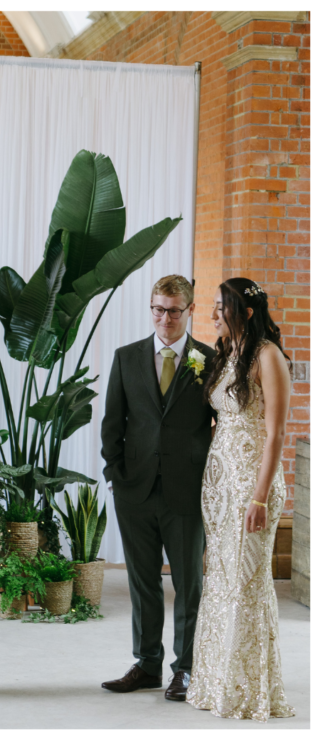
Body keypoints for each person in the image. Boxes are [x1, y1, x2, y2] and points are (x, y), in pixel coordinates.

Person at [100, 275, 216, 701]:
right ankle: (147, 664)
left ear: (189, 311)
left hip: (187, 491)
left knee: (188, 584)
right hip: (135, 491)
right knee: (143, 582)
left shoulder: (209, 359)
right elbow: (113, 423)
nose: (164, 318)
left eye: (173, 310)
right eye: (157, 309)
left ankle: (185, 669)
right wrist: (115, 476)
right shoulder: (126, 357)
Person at [186, 278, 295, 721]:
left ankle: (250, 691)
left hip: (253, 485)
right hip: (220, 484)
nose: (213, 315)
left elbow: (276, 434)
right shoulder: (223, 354)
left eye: (220, 307)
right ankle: (216, 684)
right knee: (221, 581)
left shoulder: (268, 356)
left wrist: (261, 496)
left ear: (246, 312)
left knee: (247, 584)